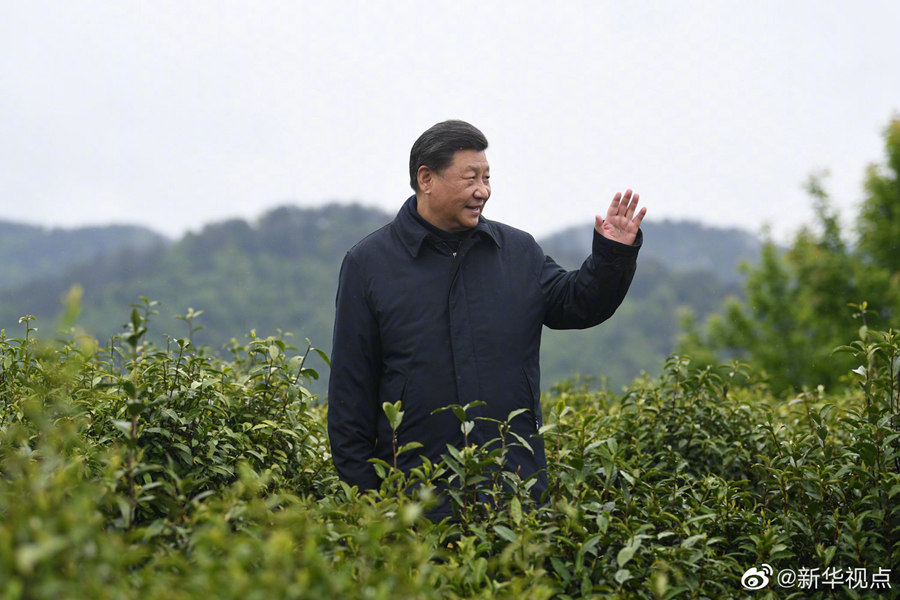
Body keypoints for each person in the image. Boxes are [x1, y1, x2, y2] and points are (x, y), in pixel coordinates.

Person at [328, 120, 645, 519]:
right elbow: (350, 397)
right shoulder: (370, 264)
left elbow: (578, 304)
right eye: (471, 178)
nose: (483, 190)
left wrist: (613, 254)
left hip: (514, 497)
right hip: (414, 504)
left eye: (487, 177)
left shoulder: (517, 252)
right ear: (426, 179)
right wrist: (371, 505)